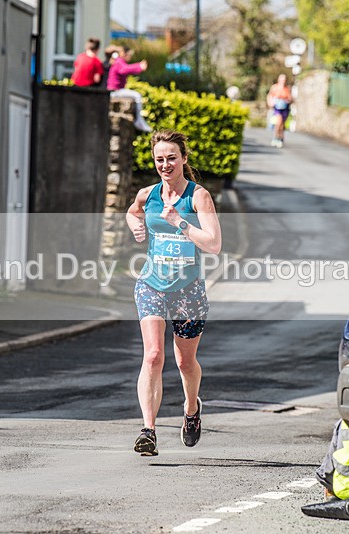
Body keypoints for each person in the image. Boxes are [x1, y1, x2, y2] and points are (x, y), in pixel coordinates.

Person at [125, 130, 222, 456]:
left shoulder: (198, 197)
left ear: (183, 159)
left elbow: (214, 244)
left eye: (171, 158)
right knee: (153, 355)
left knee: (184, 361)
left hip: (188, 292)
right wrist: (134, 225)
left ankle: (191, 410)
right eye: (159, 159)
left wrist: (181, 223)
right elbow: (132, 210)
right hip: (152, 284)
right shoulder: (148, 193)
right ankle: (148, 430)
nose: (165, 165)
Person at [107, 47, 152, 132]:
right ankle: (139, 120)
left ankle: (139, 120)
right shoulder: (119, 62)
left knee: (136, 95)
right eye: (130, 55)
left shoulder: (119, 61)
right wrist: (139, 66)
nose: (130, 57)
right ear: (125, 54)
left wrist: (138, 67)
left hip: (116, 90)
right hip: (115, 91)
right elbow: (125, 69)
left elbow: (128, 69)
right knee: (137, 96)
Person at [267, 74, 293, 148]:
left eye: (284, 80)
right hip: (277, 108)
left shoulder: (287, 89)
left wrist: (288, 100)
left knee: (282, 124)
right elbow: (270, 95)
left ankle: (280, 137)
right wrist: (270, 102)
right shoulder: (274, 87)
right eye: (281, 79)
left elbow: (290, 98)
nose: (283, 81)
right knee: (278, 122)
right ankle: (276, 137)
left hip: (285, 108)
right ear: (278, 80)